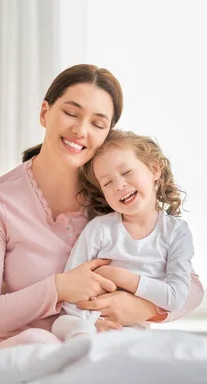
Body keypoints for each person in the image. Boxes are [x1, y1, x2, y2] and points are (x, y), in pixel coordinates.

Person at [0, 64, 204, 348]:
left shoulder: (115, 200)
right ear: (44, 112)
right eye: (71, 113)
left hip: (101, 357)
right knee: (40, 342)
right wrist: (59, 288)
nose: (80, 130)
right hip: (20, 356)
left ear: (107, 135)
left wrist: (142, 308)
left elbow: (192, 288)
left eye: (97, 124)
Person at [51, 130, 194, 340]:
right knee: (63, 324)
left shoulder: (176, 233)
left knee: (136, 341)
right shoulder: (99, 229)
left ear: (155, 169)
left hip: (129, 328)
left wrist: (121, 277)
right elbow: (71, 285)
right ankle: (83, 345)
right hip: (83, 319)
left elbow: (175, 297)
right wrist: (92, 322)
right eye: (107, 183)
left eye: (126, 172)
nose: (119, 185)